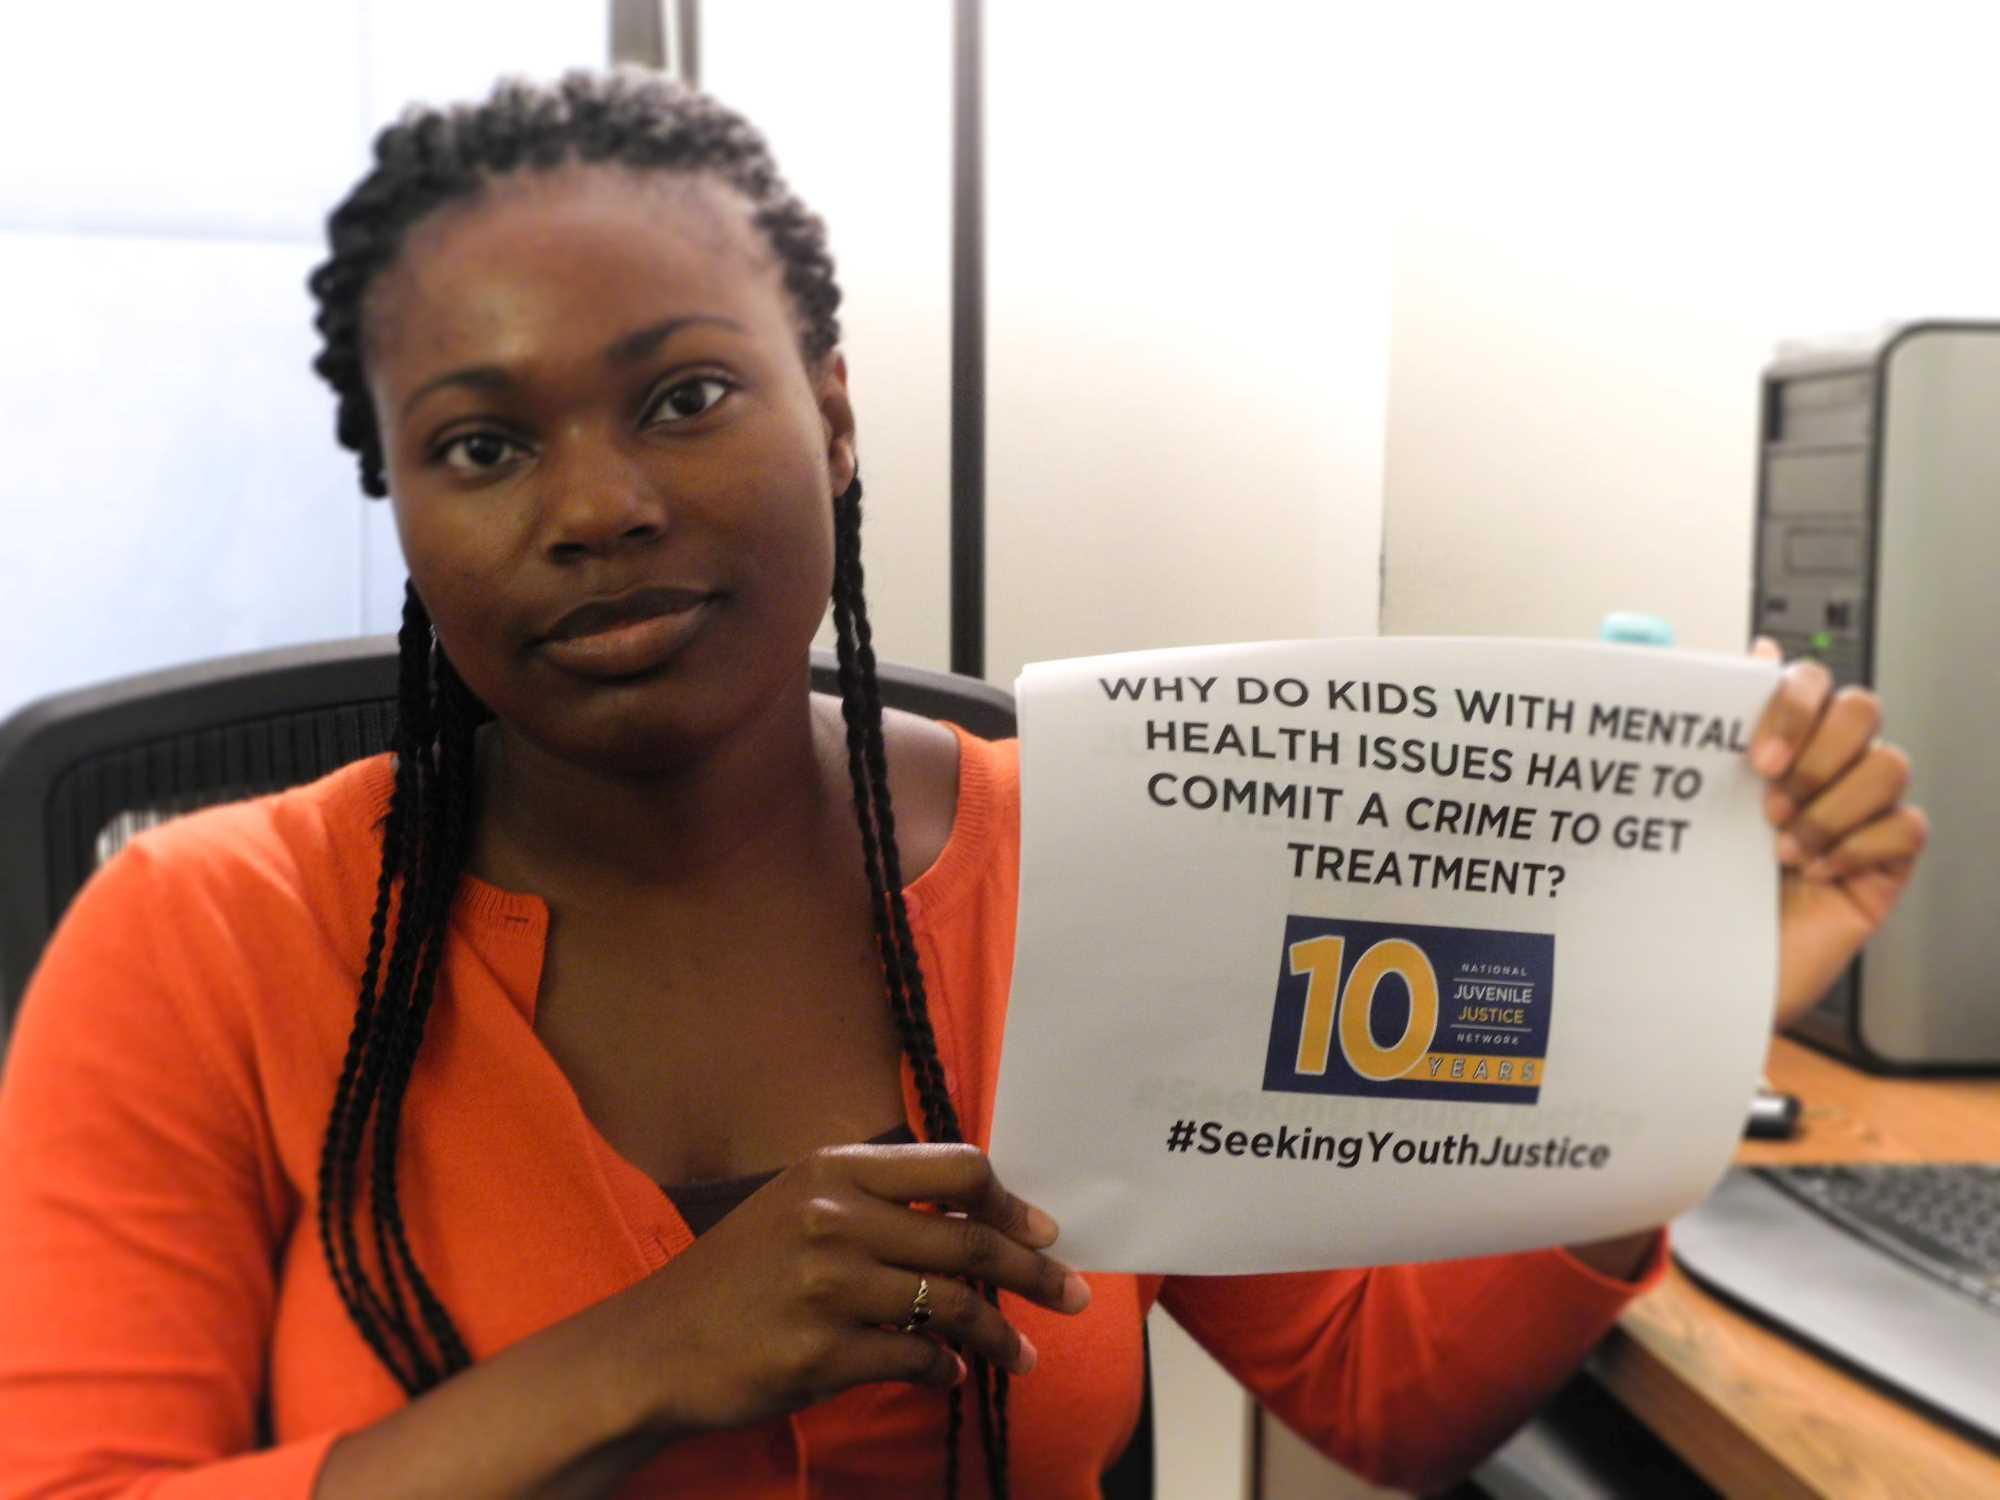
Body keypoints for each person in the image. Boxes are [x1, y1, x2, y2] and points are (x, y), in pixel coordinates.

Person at [0, 70, 1928, 1500]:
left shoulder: (1103, 863)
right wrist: (641, 1364)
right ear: (406, 505)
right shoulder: (197, 933)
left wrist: (1667, 1034)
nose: (598, 506)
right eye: (485, 443)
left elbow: (1375, 1397)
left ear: (831, 417)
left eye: (685, 396)